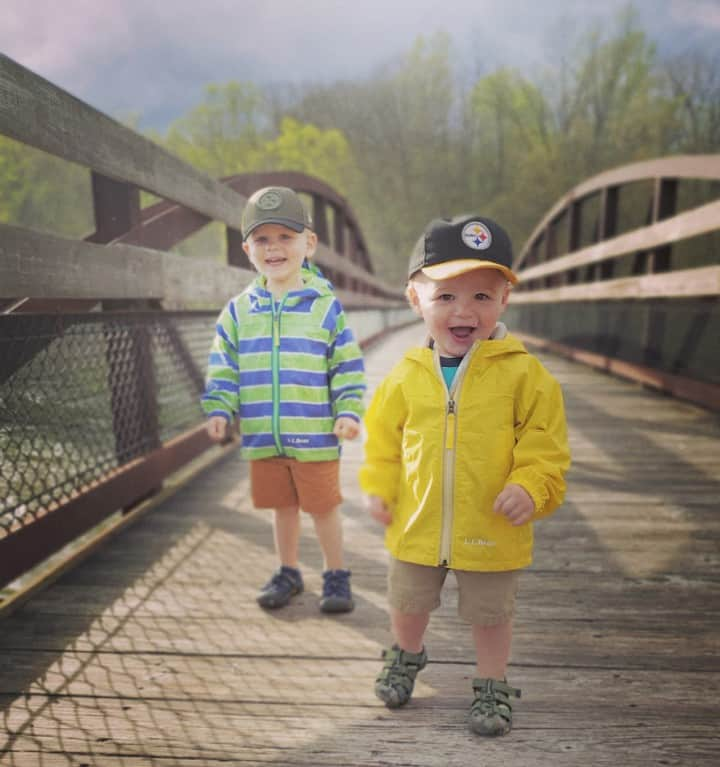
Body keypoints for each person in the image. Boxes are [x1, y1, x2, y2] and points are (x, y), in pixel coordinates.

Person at [359, 214, 570, 736]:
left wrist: (531, 486)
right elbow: (383, 444)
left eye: (482, 296)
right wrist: (380, 489)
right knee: (407, 603)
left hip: (491, 528)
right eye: (446, 296)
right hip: (417, 525)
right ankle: (407, 654)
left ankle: (492, 684)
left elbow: (546, 445)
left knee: (491, 615)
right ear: (415, 300)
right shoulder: (404, 377)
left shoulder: (526, 374)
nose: (465, 311)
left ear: (504, 301)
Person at [202, 186, 366, 613]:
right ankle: (288, 570)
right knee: (282, 507)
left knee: (323, 508)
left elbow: (346, 364)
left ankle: (336, 574)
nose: (274, 248)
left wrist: (349, 410)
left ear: (308, 243)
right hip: (263, 434)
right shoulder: (238, 312)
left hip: (314, 432)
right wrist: (219, 406)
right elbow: (224, 365)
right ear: (247, 250)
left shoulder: (325, 306)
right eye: (262, 239)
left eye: (285, 237)